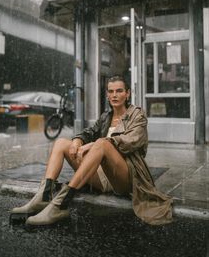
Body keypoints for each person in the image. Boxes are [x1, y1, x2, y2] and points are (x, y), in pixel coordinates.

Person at [10, 75, 173, 226]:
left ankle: (60, 204)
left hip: (124, 177)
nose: (114, 95)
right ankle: (44, 196)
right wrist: (77, 140)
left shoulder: (137, 115)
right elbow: (89, 132)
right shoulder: (106, 117)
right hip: (100, 175)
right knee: (61, 142)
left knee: (102, 144)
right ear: (107, 95)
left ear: (127, 94)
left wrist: (96, 144)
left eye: (119, 91)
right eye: (111, 91)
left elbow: (132, 141)